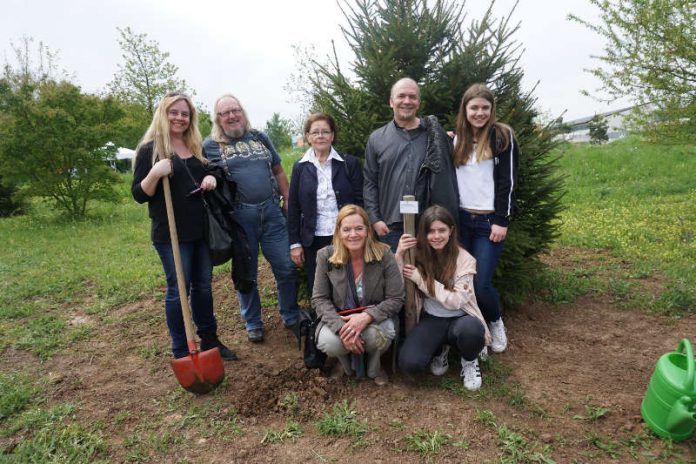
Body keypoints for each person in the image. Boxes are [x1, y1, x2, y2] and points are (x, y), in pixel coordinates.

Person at [131, 91, 237, 361]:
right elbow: (139, 194)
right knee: (178, 291)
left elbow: (212, 169)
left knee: (203, 286)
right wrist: (155, 173)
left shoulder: (194, 146)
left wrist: (212, 177)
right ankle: (181, 349)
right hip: (171, 234)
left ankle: (210, 342)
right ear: (164, 114)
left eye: (185, 114)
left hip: (201, 230)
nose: (179, 118)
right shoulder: (150, 150)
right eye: (174, 112)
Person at [203, 93, 299, 344]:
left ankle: (290, 314)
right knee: (246, 273)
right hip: (239, 217)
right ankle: (253, 322)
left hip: (271, 212)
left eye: (236, 110)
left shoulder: (260, 137)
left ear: (243, 113)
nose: (233, 116)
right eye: (226, 113)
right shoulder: (210, 146)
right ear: (218, 118)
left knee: (287, 267)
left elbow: (278, 170)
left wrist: (288, 198)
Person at [452, 83, 519, 355]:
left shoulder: (502, 136)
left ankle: (495, 321)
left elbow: (508, 182)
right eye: (474, 107)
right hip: (460, 222)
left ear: (491, 110)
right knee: (461, 282)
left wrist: (501, 220)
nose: (479, 113)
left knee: (481, 284)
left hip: (488, 223)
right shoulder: (457, 139)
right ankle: (476, 332)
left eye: (484, 108)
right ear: (465, 110)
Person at [396, 205, 490, 390]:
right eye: (431, 231)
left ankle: (469, 360)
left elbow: (456, 301)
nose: (436, 236)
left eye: (442, 230)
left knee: (472, 331)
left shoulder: (465, 260)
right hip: (432, 318)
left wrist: (421, 280)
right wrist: (399, 254)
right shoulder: (418, 255)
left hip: (461, 317)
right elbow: (397, 285)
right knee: (410, 363)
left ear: (451, 231)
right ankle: (440, 349)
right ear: (424, 233)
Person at [363, 77, 458, 251]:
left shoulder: (436, 137)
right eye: (401, 96)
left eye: (412, 97)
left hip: (429, 228)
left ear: (419, 103)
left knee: (428, 277)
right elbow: (370, 182)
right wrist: (375, 219)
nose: (407, 101)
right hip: (390, 227)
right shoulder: (376, 139)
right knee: (394, 278)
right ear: (391, 102)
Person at [312, 205, 404, 385]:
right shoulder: (325, 256)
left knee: (377, 335)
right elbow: (319, 299)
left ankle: (374, 366)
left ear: (367, 230)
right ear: (338, 231)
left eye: (359, 228)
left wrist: (366, 317)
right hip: (340, 319)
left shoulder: (384, 254)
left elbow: (396, 298)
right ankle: (343, 363)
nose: (353, 234)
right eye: (346, 229)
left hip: (374, 318)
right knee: (329, 342)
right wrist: (341, 328)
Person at [288, 112, 363, 294]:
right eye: (315, 132)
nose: (320, 136)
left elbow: (360, 200)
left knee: (350, 284)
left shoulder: (348, 163)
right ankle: (324, 321)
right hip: (313, 239)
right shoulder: (300, 167)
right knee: (320, 285)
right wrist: (295, 243)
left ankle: (353, 320)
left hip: (346, 236)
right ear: (308, 137)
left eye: (325, 131)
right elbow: (294, 207)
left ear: (332, 135)